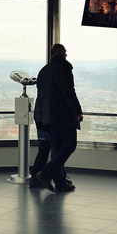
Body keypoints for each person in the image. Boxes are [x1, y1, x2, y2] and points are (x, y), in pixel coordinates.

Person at [34, 44, 83, 192]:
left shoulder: (43, 71)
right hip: (63, 115)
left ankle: (60, 182)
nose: (66, 55)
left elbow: (41, 97)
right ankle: (46, 173)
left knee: (56, 148)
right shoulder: (64, 67)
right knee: (70, 144)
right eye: (65, 53)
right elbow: (68, 91)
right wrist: (77, 111)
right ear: (61, 53)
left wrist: (42, 118)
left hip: (48, 116)